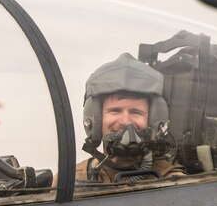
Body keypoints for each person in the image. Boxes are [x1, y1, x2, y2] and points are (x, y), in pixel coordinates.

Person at [75, 53, 185, 183]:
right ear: (95, 119)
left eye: (136, 112)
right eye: (115, 111)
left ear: (155, 121)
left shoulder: (174, 183)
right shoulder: (73, 181)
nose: (125, 121)